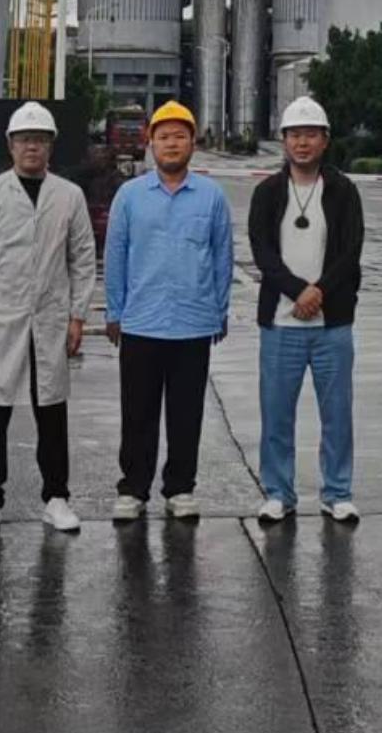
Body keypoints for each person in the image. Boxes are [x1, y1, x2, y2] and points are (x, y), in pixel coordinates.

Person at [0, 101, 97, 536]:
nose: (31, 146)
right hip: (0, 319)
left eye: (39, 140)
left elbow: (83, 258)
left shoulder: (69, 196)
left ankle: (56, 498)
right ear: (10, 145)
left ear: (50, 146)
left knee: (51, 411)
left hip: (51, 320)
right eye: (24, 140)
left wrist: (77, 316)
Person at [101, 98, 233, 520]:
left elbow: (223, 257)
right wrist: (114, 311)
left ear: (193, 143)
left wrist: (219, 310)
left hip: (193, 323)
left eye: (179, 136)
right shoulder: (130, 196)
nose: (172, 144)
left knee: (186, 412)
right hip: (141, 321)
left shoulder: (211, 197)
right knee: (137, 412)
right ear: (150, 143)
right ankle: (133, 489)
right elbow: (115, 255)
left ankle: (180, 488)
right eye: (164, 137)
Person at [246, 95, 364, 524]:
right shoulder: (267, 193)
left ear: (325, 140)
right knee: (277, 414)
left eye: (310, 134)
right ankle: (279, 492)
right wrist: (298, 291)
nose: (302, 143)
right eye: (295, 135)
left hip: (332, 325)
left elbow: (350, 251)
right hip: (281, 325)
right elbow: (262, 252)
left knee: (337, 415)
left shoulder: (343, 191)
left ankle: (337, 493)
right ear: (284, 140)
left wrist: (319, 293)